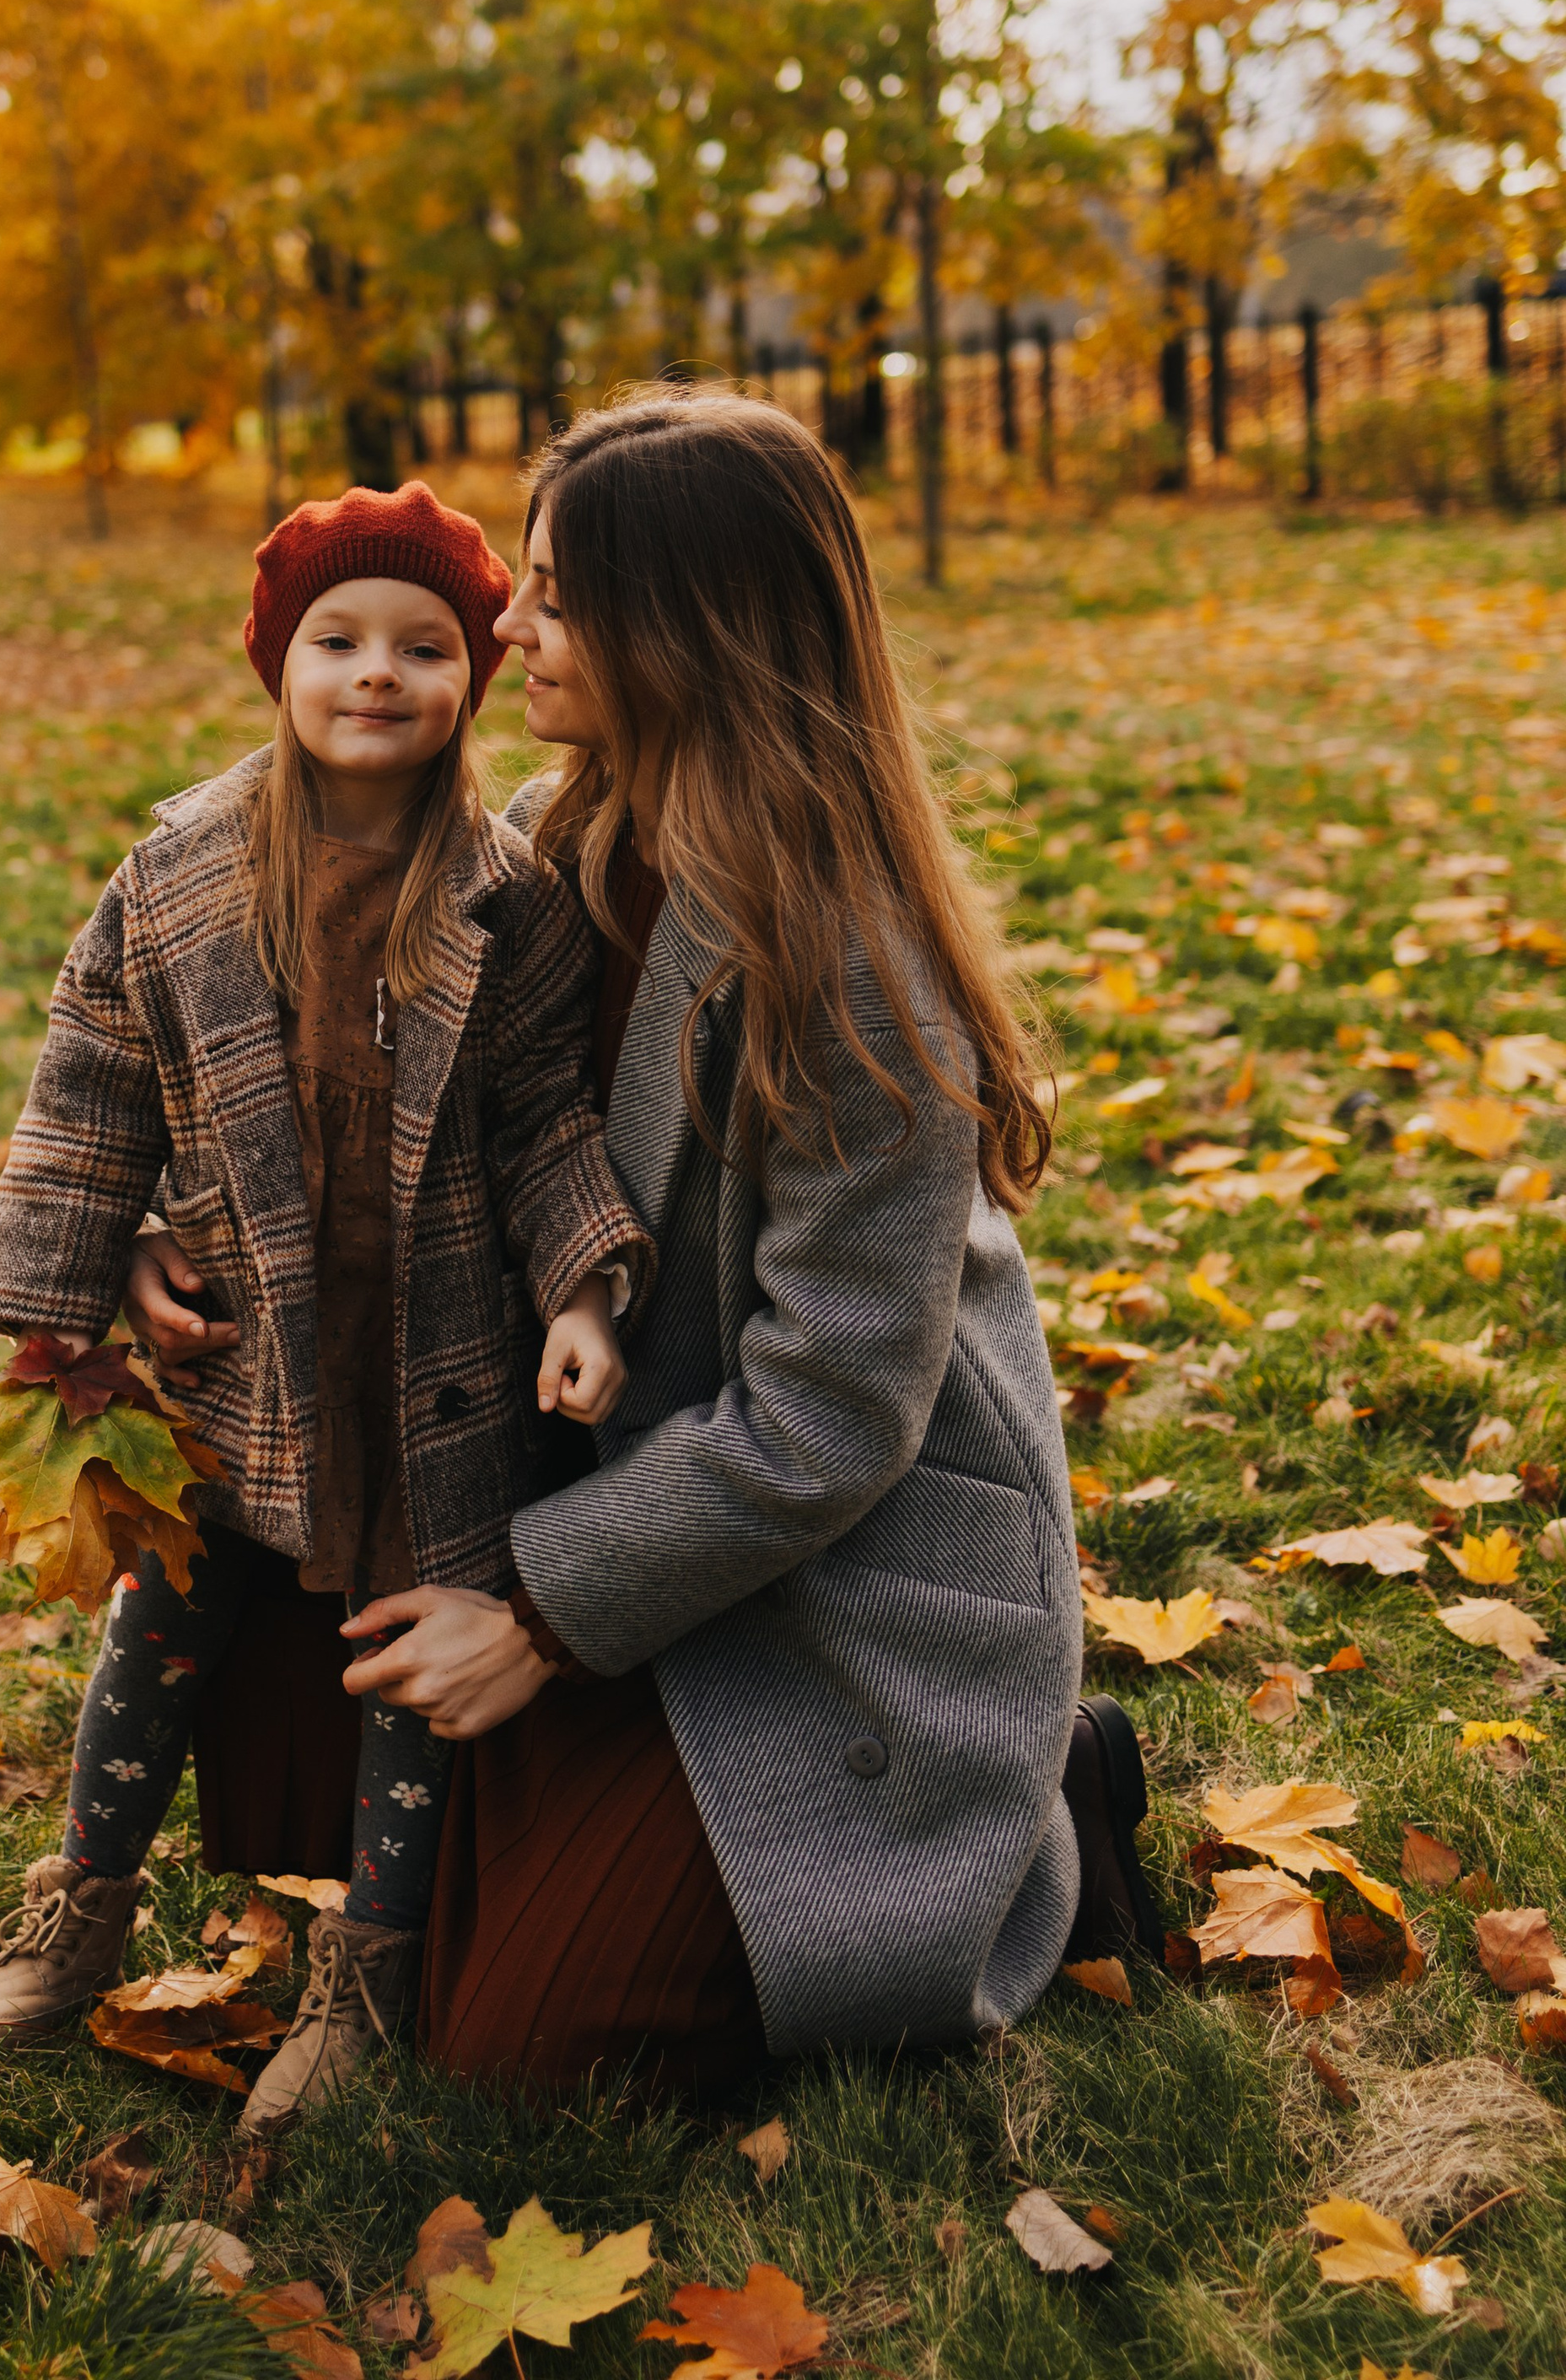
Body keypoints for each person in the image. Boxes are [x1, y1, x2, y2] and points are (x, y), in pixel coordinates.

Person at [133, 390, 1155, 2090]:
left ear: (689, 629)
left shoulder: (849, 970)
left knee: (527, 2042)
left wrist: (535, 1614)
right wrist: (158, 1233)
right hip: (593, 1477)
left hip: (831, 1577)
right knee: (357, 1778)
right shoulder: (555, 843)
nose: (506, 629)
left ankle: (1051, 1797)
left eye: (556, 597)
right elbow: (334, 1097)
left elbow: (830, 1417)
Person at [0, 481, 650, 2137]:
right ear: (279, 663)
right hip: (242, 1348)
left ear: (474, 675)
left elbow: (544, 1118)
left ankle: (370, 1969)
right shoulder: (180, 877)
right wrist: (84, 1283)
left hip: (435, 1365)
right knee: (162, 1624)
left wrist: (583, 1284)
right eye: (338, 640)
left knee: (408, 1653)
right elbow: (94, 1082)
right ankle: (77, 1908)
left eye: (424, 646)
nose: (377, 673)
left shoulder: (509, 899)